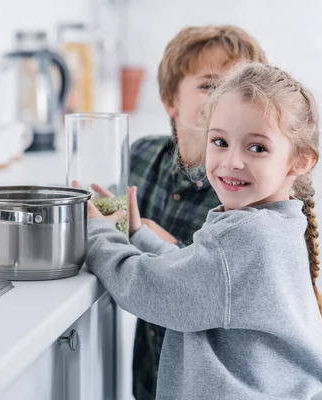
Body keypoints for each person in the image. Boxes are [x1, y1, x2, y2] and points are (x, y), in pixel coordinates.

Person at [85, 62, 322, 400]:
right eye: (220, 141)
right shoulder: (278, 224)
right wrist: (138, 234)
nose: (232, 161)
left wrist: (100, 234)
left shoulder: (247, 237)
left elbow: (152, 289)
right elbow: (203, 276)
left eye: (257, 147)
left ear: (300, 160)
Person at [128, 25, 267, 400]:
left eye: (237, 87)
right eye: (209, 85)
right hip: (152, 377)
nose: (223, 98)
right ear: (171, 100)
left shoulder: (247, 193)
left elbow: (203, 291)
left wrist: (159, 243)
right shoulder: (141, 157)